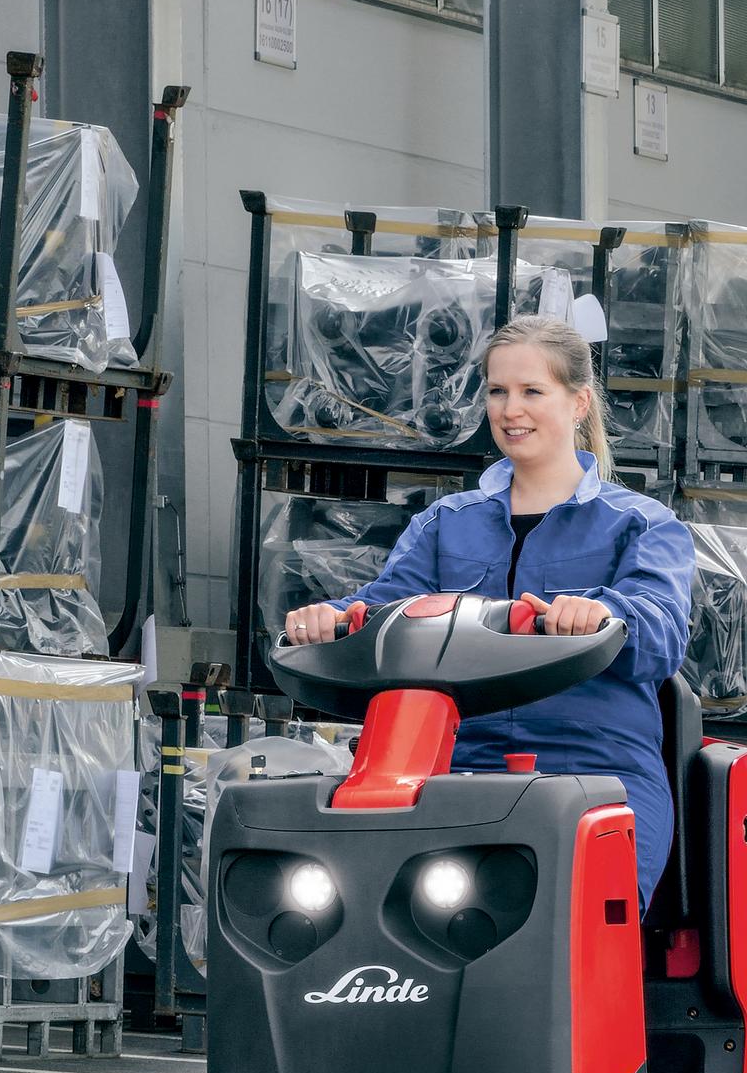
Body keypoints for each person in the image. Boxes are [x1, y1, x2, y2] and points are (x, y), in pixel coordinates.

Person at [282, 316, 695, 900]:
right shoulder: (445, 524)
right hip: (452, 765)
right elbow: (383, 609)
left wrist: (601, 614)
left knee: (574, 934)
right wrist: (331, 620)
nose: (510, 409)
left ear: (578, 404)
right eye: (498, 391)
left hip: (597, 774)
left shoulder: (642, 524)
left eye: (532, 391)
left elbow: (660, 631)